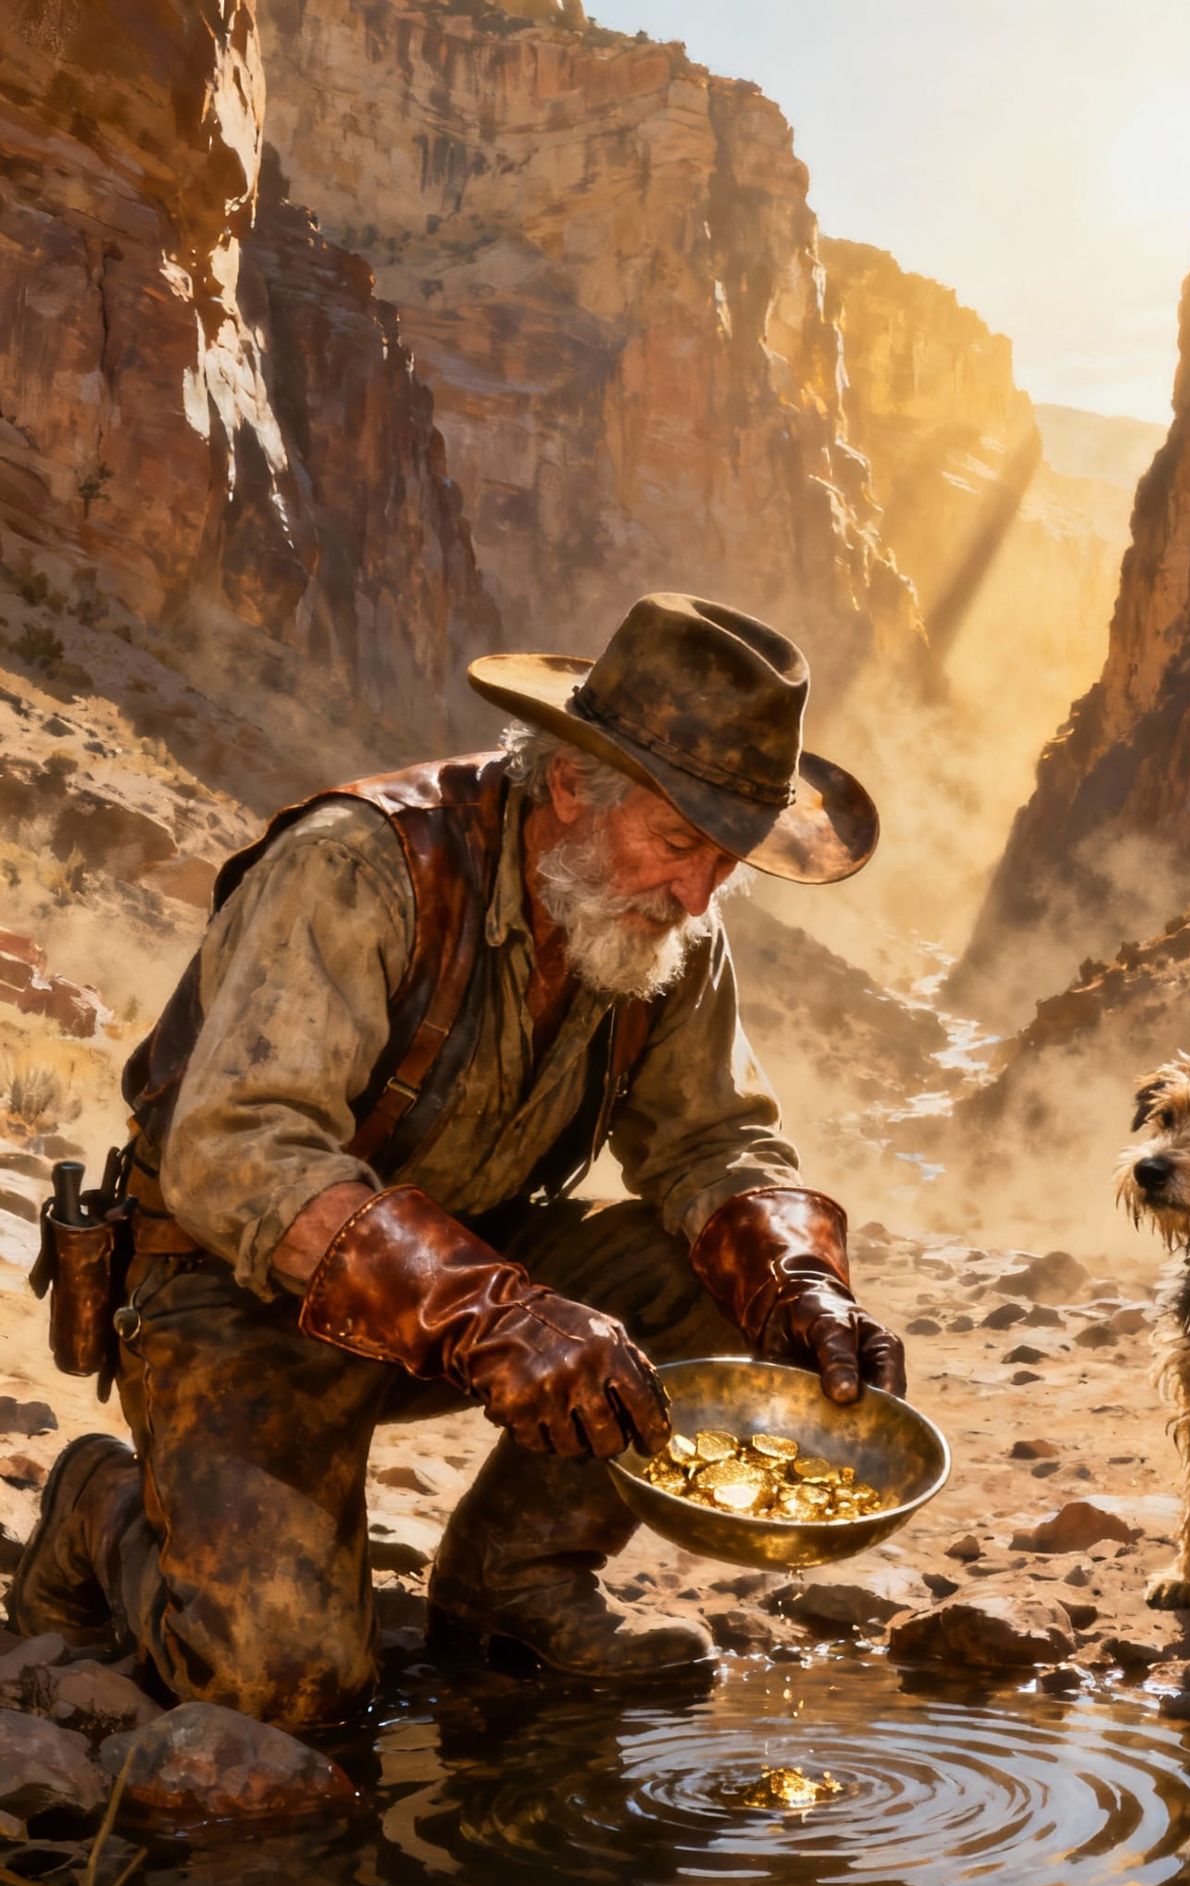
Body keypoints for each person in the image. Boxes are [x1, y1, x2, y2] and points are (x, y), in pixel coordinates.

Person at [8, 593, 906, 1727]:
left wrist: (798, 1280)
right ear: (573, 783)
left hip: (461, 1297)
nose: (698, 892)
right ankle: (103, 1509)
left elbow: (714, 1142)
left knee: (722, 1279)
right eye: (679, 845)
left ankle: (511, 1587)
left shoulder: (668, 921)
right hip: (229, 1295)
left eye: (724, 861)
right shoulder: (360, 867)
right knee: (283, 1686)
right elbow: (238, 1153)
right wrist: (500, 1314)